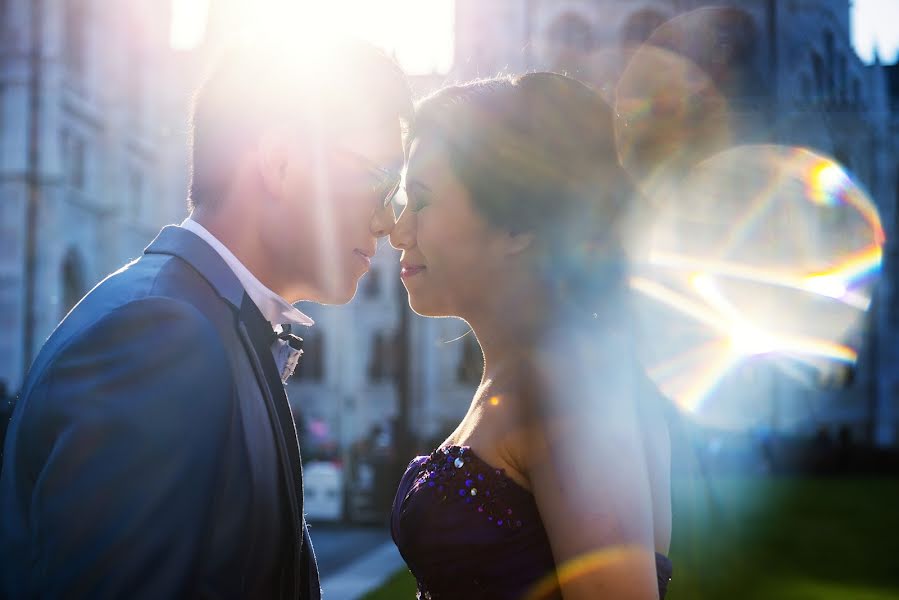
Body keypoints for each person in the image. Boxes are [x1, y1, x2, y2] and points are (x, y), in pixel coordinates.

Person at [0, 39, 411, 598]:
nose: (388, 221)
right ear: (281, 163)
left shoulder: (203, 320)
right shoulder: (160, 336)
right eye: (379, 181)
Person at [388, 73, 673, 599]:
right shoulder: (529, 372)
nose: (398, 230)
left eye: (421, 201)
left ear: (517, 225)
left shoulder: (568, 387)